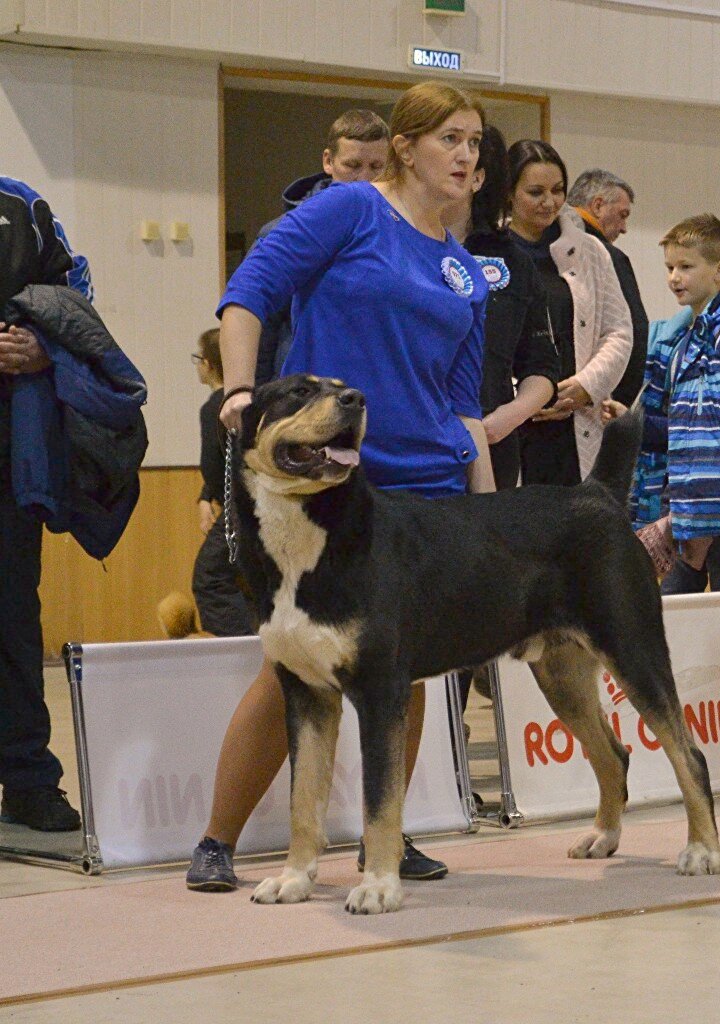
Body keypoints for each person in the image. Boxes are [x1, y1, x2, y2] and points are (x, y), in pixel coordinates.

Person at [187, 81, 493, 892]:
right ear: (406, 145)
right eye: (451, 139)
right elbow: (248, 291)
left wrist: (483, 499)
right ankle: (216, 840)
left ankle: (379, 840)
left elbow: (462, 405)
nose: (467, 155)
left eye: (475, 141)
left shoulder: (466, 271)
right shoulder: (350, 211)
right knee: (290, 666)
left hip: (425, 481)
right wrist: (242, 394)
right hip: (322, 480)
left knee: (412, 664)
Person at [605, 214, 720, 600]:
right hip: (688, 504)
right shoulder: (681, 342)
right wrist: (633, 424)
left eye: (686, 266)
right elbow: (680, 429)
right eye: (670, 267)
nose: (674, 277)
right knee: (676, 607)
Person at [0, 177, 92, 832]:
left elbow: (76, 310)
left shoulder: (21, 207)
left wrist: (43, 348)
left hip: (10, 455)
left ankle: (29, 779)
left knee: (11, 617)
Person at [505, 140, 632, 487]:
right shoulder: (487, 250)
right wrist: (523, 399)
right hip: (511, 421)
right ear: (509, 193)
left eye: (558, 190)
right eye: (535, 192)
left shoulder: (590, 251)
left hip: (575, 420)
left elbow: (619, 332)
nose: (550, 202)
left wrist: (586, 385)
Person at [442, 124, 558, 490]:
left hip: (491, 441)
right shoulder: (397, 246)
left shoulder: (512, 260)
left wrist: (505, 419)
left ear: (479, 177)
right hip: (411, 440)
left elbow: (541, 365)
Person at [253, 109, 390, 384]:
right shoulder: (284, 232)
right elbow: (261, 329)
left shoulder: (406, 232)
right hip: (307, 395)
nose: (365, 179)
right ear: (328, 161)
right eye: (352, 166)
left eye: (377, 167)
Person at [191, 328, 255, 637]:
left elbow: (214, 468)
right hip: (261, 499)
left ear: (209, 364)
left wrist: (212, 494)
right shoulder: (251, 401)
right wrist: (206, 496)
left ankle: (241, 649)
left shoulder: (212, 408)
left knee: (210, 578)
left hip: (240, 505)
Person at [567, 169, 648, 407]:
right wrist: (620, 403)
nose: (624, 228)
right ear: (598, 206)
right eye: (622, 215)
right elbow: (634, 332)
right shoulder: (609, 258)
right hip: (593, 404)